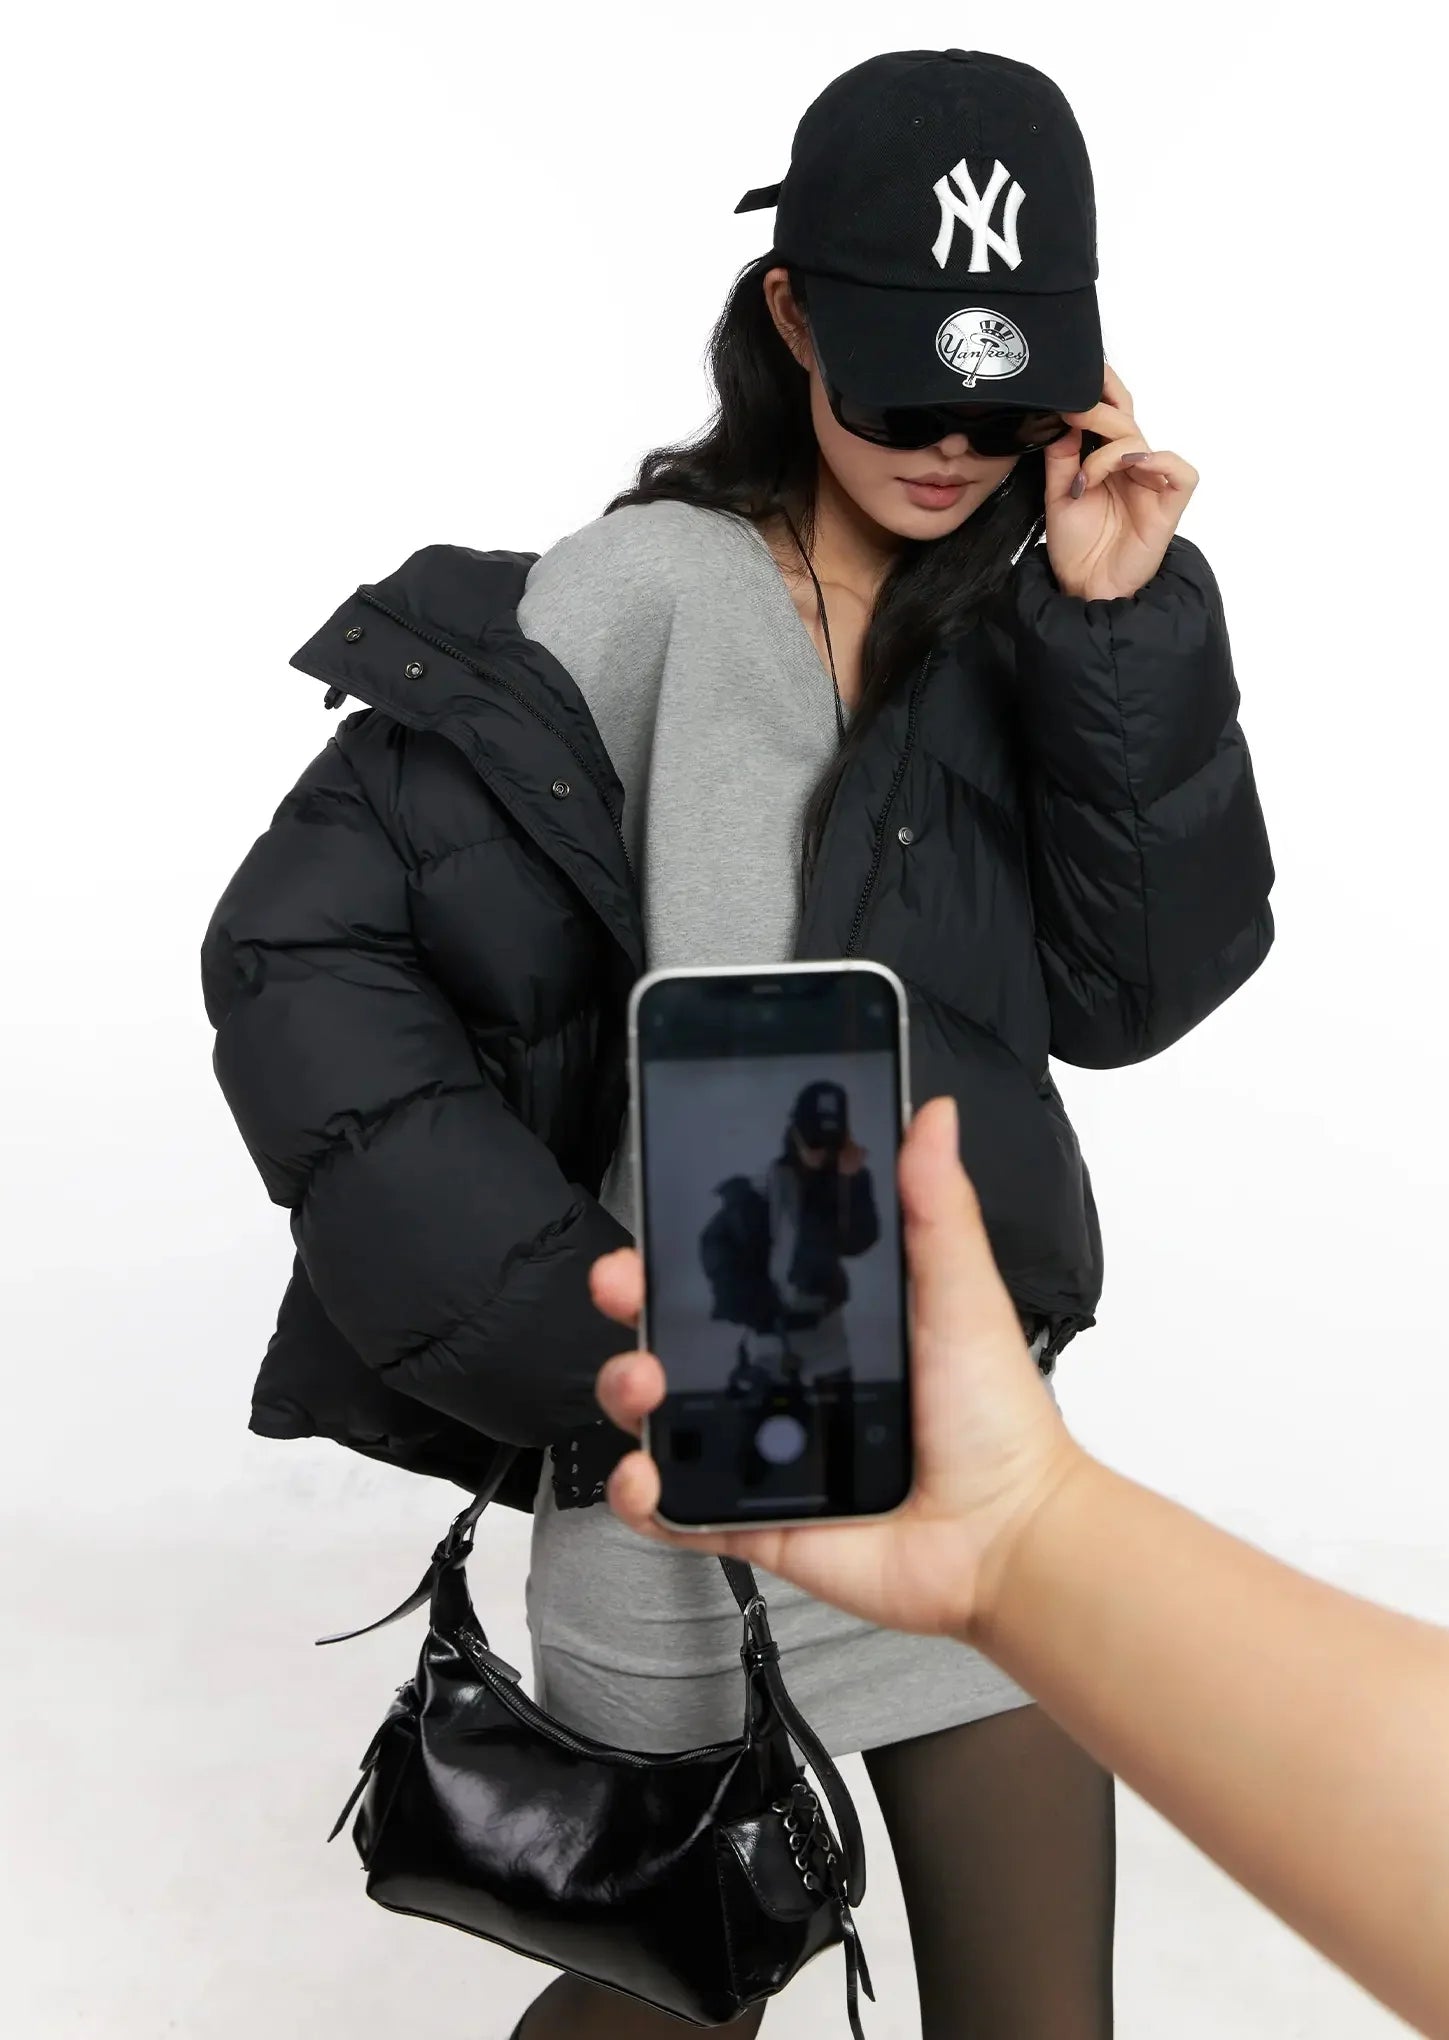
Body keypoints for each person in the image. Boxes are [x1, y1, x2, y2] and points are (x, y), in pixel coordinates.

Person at [199, 48, 1274, 2039]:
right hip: (679, 1469)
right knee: (669, 2001)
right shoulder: (648, 592)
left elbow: (1132, 999)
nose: (954, 449)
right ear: (793, 320)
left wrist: (1119, 631)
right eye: (904, 393)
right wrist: (565, 1314)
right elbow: (303, 950)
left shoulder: (1038, 617)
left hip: (961, 1437)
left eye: (1004, 399)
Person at [594, 1098, 1449, 2040]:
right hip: (679, 1432)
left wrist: (1020, 1533)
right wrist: (555, 1327)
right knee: (674, 1991)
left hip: (943, 1446)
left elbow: (1114, 1016)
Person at [700, 1079, 879, 1387]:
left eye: (831, 1143)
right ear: (796, 1133)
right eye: (814, 1141)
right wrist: (749, 1300)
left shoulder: (842, 1182)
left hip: (827, 1337)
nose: (822, 1154)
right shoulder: (764, 1186)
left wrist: (851, 1183)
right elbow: (717, 1244)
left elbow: (856, 1241)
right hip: (770, 1342)